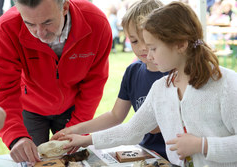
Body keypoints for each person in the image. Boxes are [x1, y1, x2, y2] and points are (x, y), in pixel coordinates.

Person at [52, 2, 237, 167]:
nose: (148, 56)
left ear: (180, 45)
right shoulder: (161, 88)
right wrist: (85, 140)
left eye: (154, 48)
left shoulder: (226, 84)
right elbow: (132, 130)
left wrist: (202, 145)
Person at [0, 0, 112, 165]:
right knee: (34, 160)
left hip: (73, 107)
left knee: (73, 160)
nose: (40, 33)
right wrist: (16, 137)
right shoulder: (6, 27)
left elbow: (94, 84)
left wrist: (77, 126)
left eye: (47, 22)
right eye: (29, 24)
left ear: (65, 7)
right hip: (31, 108)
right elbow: (3, 89)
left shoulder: (96, 23)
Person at [52, 0, 168, 160]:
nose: (142, 47)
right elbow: (115, 116)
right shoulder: (133, 72)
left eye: (147, 40)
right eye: (134, 41)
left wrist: (86, 139)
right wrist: (75, 129)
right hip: (147, 154)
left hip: (176, 158)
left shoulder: (173, 75)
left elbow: (144, 128)